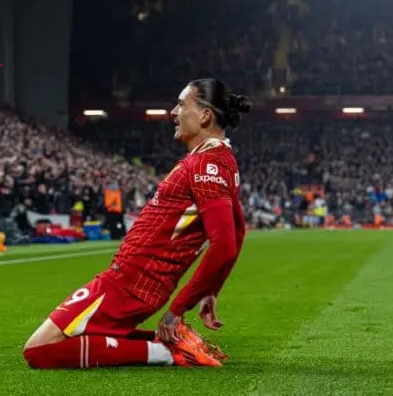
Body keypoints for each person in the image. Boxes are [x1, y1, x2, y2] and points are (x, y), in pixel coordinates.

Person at [23, 78, 249, 369]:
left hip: (131, 282)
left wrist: (178, 310)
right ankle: (168, 344)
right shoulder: (219, 160)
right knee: (86, 336)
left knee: (40, 349)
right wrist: (210, 290)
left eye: (181, 104)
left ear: (205, 115)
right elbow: (239, 231)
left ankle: (168, 352)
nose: (173, 112)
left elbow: (226, 244)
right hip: (133, 279)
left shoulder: (207, 164)